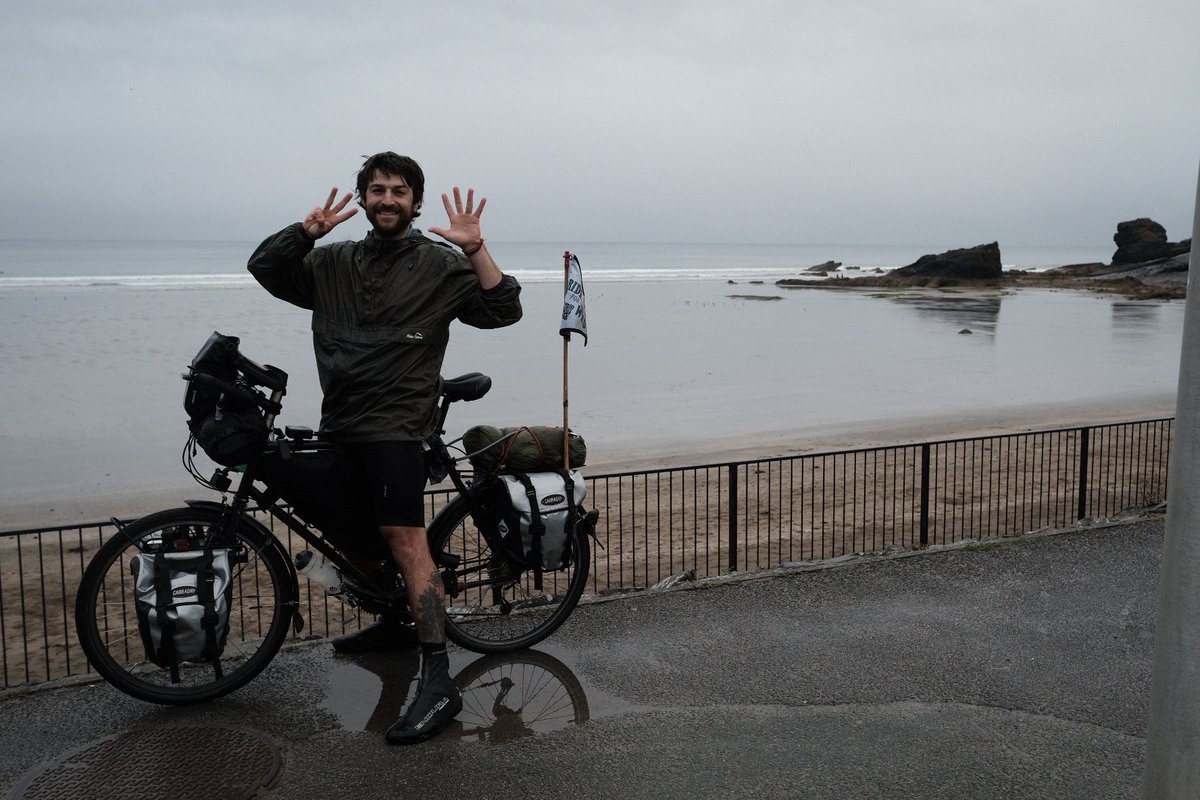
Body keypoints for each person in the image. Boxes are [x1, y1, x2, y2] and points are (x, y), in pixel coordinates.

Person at [247, 152, 523, 744]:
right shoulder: (332, 262)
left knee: (404, 540)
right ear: (364, 200)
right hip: (341, 418)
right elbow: (264, 267)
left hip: (400, 423)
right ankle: (397, 624)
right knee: (354, 530)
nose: (388, 199)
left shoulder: (440, 265)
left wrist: (475, 248)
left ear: (415, 203)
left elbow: (504, 310)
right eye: (377, 190)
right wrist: (305, 231)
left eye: (399, 191)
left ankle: (439, 678)